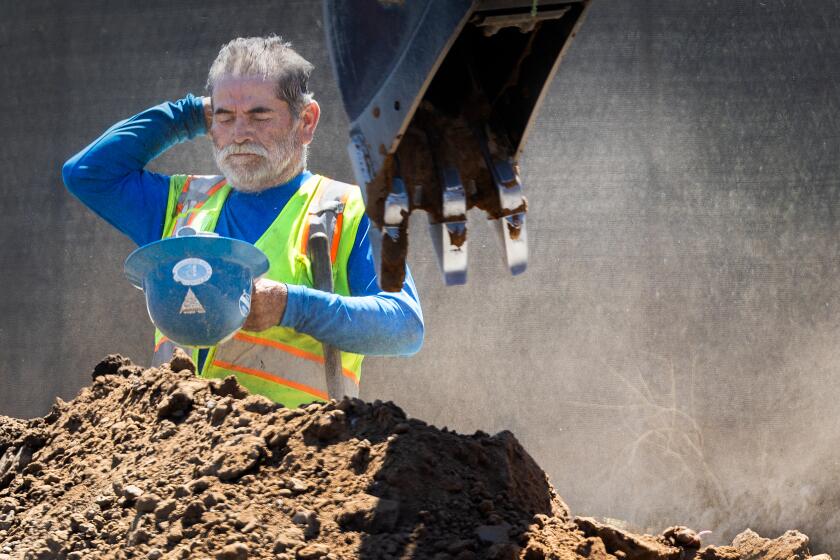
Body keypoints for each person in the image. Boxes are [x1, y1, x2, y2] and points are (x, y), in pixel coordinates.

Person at [62, 36, 424, 407]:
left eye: (259, 115)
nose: (239, 134)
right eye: (224, 117)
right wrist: (191, 114)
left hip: (294, 455)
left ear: (306, 121)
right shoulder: (180, 203)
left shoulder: (347, 211)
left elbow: (405, 326)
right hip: (173, 455)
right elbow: (86, 173)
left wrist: (289, 305)